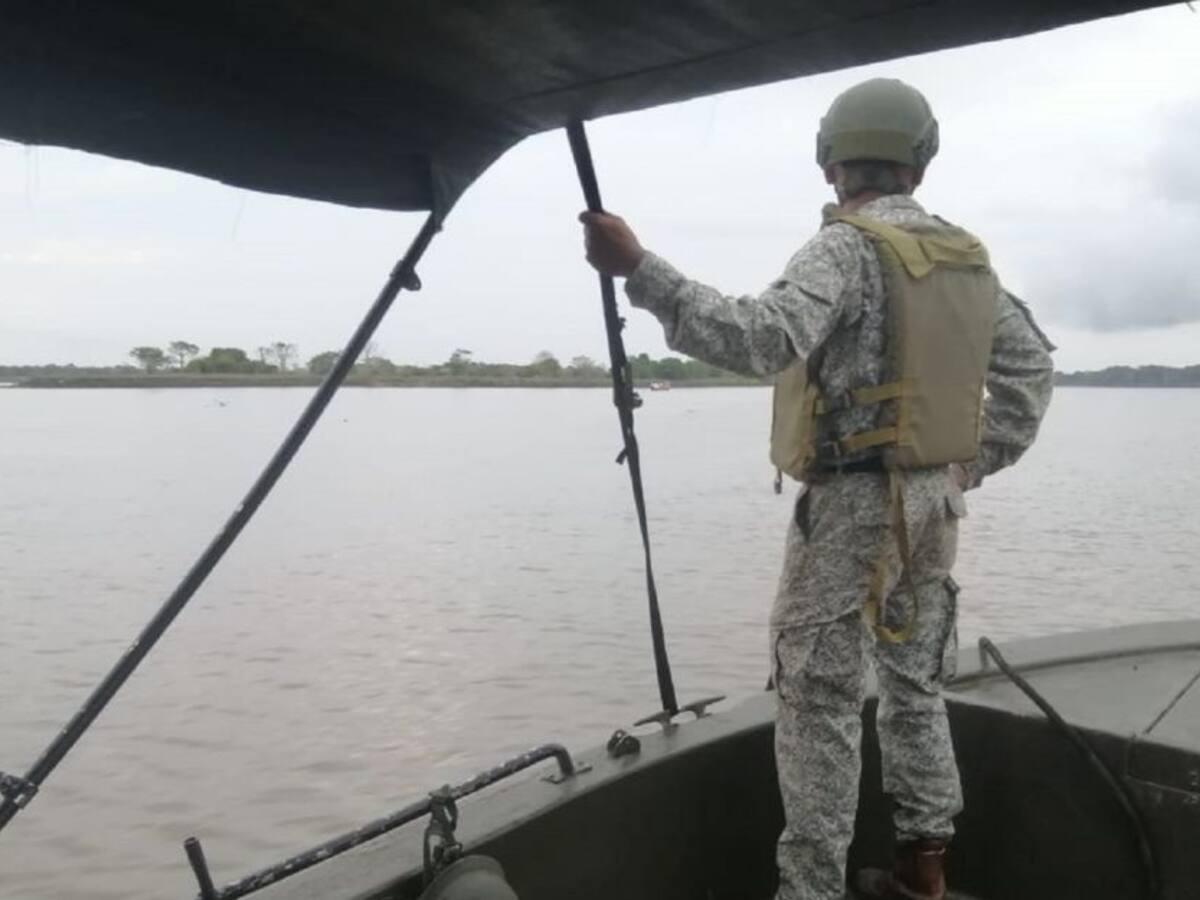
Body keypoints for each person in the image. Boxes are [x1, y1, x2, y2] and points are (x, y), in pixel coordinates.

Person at [578, 78, 1055, 900]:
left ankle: (810, 892)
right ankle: (923, 871)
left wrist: (639, 270)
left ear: (832, 161)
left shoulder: (844, 246)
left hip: (847, 518)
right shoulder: (968, 259)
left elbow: (762, 339)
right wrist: (968, 464)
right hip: (934, 512)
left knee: (818, 705)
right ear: (921, 161)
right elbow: (1031, 368)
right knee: (915, 688)